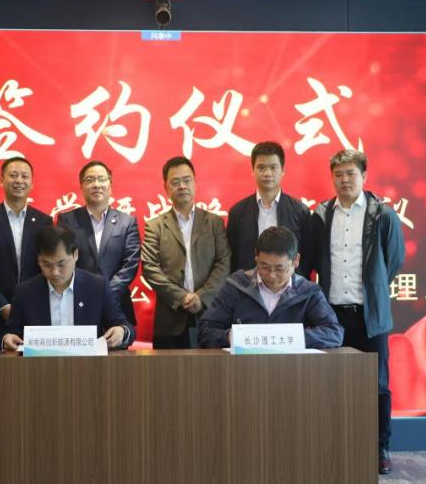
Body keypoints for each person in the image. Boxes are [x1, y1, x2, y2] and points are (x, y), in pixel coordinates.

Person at [312, 148, 405, 475]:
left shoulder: (383, 215)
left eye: (351, 173)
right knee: (332, 383)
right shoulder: (322, 215)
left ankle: (380, 448)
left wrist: (375, 287)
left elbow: (394, 261)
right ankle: (335, 446)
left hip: (370, 315)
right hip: (331, 316)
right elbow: (314, 261)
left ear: (364, 176)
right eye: (338, 174)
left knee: (377, 385)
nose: (344, 180)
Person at [199, 226, 343, 349]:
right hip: (243, 367)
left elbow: (334, 333)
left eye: (280, 268)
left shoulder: (307, 292)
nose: (271, 275)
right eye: (264, 266)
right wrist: (232, 337)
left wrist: (291, 338)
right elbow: (205, 331)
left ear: (296, 260)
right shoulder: (237, 285)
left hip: (292, 368)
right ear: (256, 258)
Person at [141, 156, 230, 349]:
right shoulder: (155, 226)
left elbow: (224, 263)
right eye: (175, 182)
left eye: (186, 180)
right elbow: (149, 268)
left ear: (195, 183)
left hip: (209, 315)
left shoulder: (214, 223)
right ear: (166, 188)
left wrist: (202, 297)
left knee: (211, 369)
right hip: (170, 320)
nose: (182, 186)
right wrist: (182, 297)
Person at [1, 226, 134, 350]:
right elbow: (11, 332)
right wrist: (7, 339)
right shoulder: (25, 292)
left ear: (75, 255)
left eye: (61, 264)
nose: (55, 272)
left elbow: (124, 326)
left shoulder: (97, 287)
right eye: (47, 264)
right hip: (40, 365)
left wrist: (121, 332)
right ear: (38, 260)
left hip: (88, 364)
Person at [0, 157, 52, 350]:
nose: (19, 181)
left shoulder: (44, 221)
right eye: (13, 175)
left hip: (35, 313)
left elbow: (48, 266)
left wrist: (29, 305)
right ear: (1, 180)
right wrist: (2, 305)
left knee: (35, 367)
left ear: (32, 183)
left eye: (25, 176)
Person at [56, 160, 140, 324]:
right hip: (77, 303)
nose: (96, 184)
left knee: (118, 341)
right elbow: (62, 260)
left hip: (117, 304)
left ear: (110, 185)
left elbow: (130, 263)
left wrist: (106, 293)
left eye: (102, 179)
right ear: (81, 186)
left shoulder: (127, 222)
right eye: (90, 180)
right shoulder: (66, 220)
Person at [226, 141, 313, 276]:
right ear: (253, 171)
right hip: (249, 285)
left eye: (273, 167)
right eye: (261, 168)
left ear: (283, 171)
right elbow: (232, 257)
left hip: (289, 285)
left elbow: (308, 256)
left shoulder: (300, 211)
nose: (267, 173)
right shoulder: (237, 212)